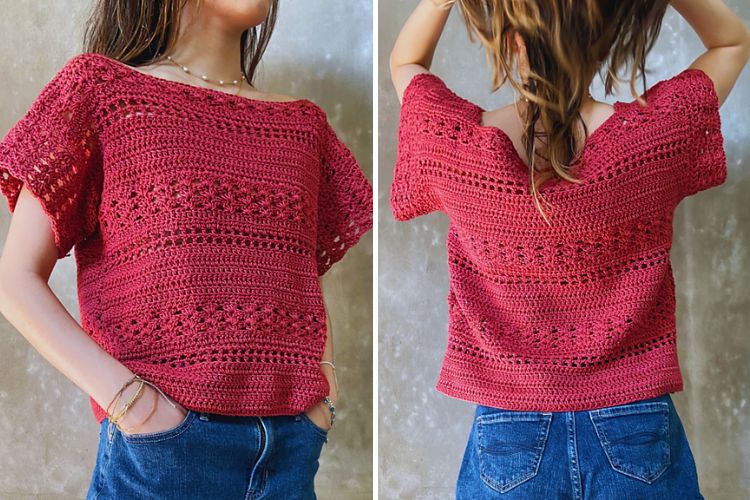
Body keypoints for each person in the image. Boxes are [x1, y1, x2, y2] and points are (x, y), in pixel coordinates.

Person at [0, 0, 372, 498]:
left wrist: (322, 389)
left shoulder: (304, 127)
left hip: (290, 453)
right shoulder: (103, 94)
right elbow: (15, 279)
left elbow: (299, 274)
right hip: (164, 453)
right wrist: (131, 404)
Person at [388, 0, 748, 498]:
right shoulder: (652, 140)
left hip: (509, 428)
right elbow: (732, 41)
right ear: (605, 40)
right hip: (635, 421)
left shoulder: (458, 147)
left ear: (509, 39)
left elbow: (405, 64)